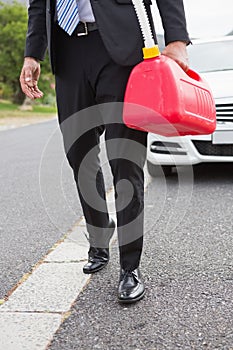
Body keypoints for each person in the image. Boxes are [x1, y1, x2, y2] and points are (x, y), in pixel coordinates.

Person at [20, 0, 190, 304]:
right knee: (79, 155)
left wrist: (176, 38)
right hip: (68, 51)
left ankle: (130, 267)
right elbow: (38, 4)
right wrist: (33, 53)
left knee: (125, 159)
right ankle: (99, 240)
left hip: (122, 49)